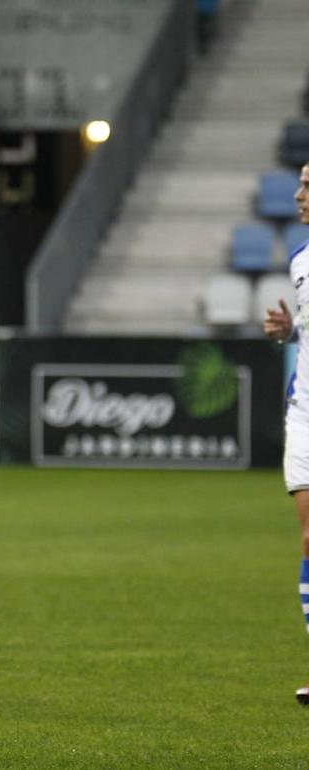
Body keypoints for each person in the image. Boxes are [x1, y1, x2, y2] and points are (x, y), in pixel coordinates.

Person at [260, 161, 309, 705]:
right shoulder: (300, 259)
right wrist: (290, 331)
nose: (298, 195)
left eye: (308, 187)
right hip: (304, 413)